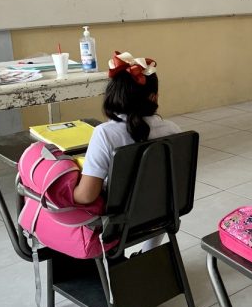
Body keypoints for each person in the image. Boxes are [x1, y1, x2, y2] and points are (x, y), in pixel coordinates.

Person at [73, 51, 181, 207]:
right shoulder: (173, 130)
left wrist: (64, 190)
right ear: (154, 97)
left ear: (112, 95)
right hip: (162, 217)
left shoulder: (104, 134)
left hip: (118, 226)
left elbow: (85, 197)